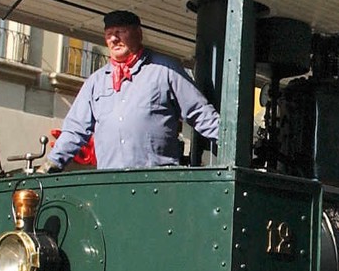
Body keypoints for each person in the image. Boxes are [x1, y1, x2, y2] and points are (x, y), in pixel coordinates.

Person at [47, 10, 220, 171]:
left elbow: (200, 112)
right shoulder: (96, 82)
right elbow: (75, 129)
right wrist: (51, 164)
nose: (114, 39)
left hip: (156, 181)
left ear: (138, 34)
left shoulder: (165, 70)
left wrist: (237, 148)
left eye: (120, 32)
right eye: (109, 34)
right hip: (110, 181)